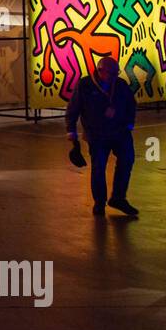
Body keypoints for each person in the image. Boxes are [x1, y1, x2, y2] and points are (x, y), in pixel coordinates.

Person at [66, 55, 139, 217]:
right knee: (99, 167)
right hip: (97, 134)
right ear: (100, 71)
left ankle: (118, 198)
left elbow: (131, 104)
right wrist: (71, 132)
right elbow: (73, 109)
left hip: (120, 132)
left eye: (116, 73)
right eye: (111, 74)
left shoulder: (120, 85)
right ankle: (99, 202)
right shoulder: (85, 85)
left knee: (127, 160)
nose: (114, 77)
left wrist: (129, 123)